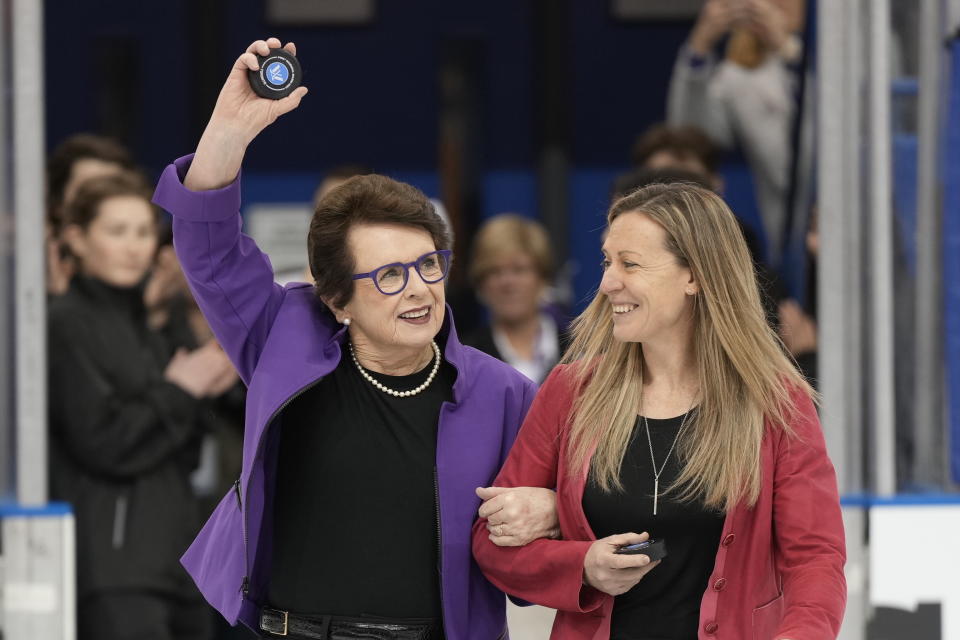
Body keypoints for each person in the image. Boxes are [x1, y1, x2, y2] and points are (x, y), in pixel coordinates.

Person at [152, 38, 557, 640]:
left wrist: (550, 511)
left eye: (428, 264)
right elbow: (208, 251)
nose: (419, 290)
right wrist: (229, 131)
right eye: (389, 276)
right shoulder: (283, 344)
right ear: (336, 299)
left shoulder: (503, 393)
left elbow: (577, 500)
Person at [472, 182, 846, 639]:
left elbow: (815, 557)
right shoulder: (571, 391)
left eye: (630, 264)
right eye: (608, 261)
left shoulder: (777, 402)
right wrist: (581, 565)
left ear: (696, 276)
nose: (608, 281)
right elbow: (491, 544)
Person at [47, 172, 237, 640]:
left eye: (143, 231)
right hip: (116, 569)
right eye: (117, 231)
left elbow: (188, 450)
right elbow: (103, 442)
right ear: (76, 238)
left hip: (181, 562)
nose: (135, 247)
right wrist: (180, 391)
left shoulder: (152, 320)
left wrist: (196, 389)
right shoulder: (65, 322)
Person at [667, 0, 807, 265]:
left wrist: (789, 51)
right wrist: (699, 48)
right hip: (793, 246)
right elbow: (687, 140)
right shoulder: (740, 77)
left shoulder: (859, 46)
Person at [464, 214, 567, 383]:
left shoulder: (579, 351)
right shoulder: (464, 361)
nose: (507, 282)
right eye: (494, 271)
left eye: (519, 270)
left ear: (542, 277)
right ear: (481, 283)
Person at [46, 134, 140, 294]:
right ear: (57, 203)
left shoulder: (149, 277)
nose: (102, 204)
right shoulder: (25, 268)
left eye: (115, 190)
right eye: (87, 190)